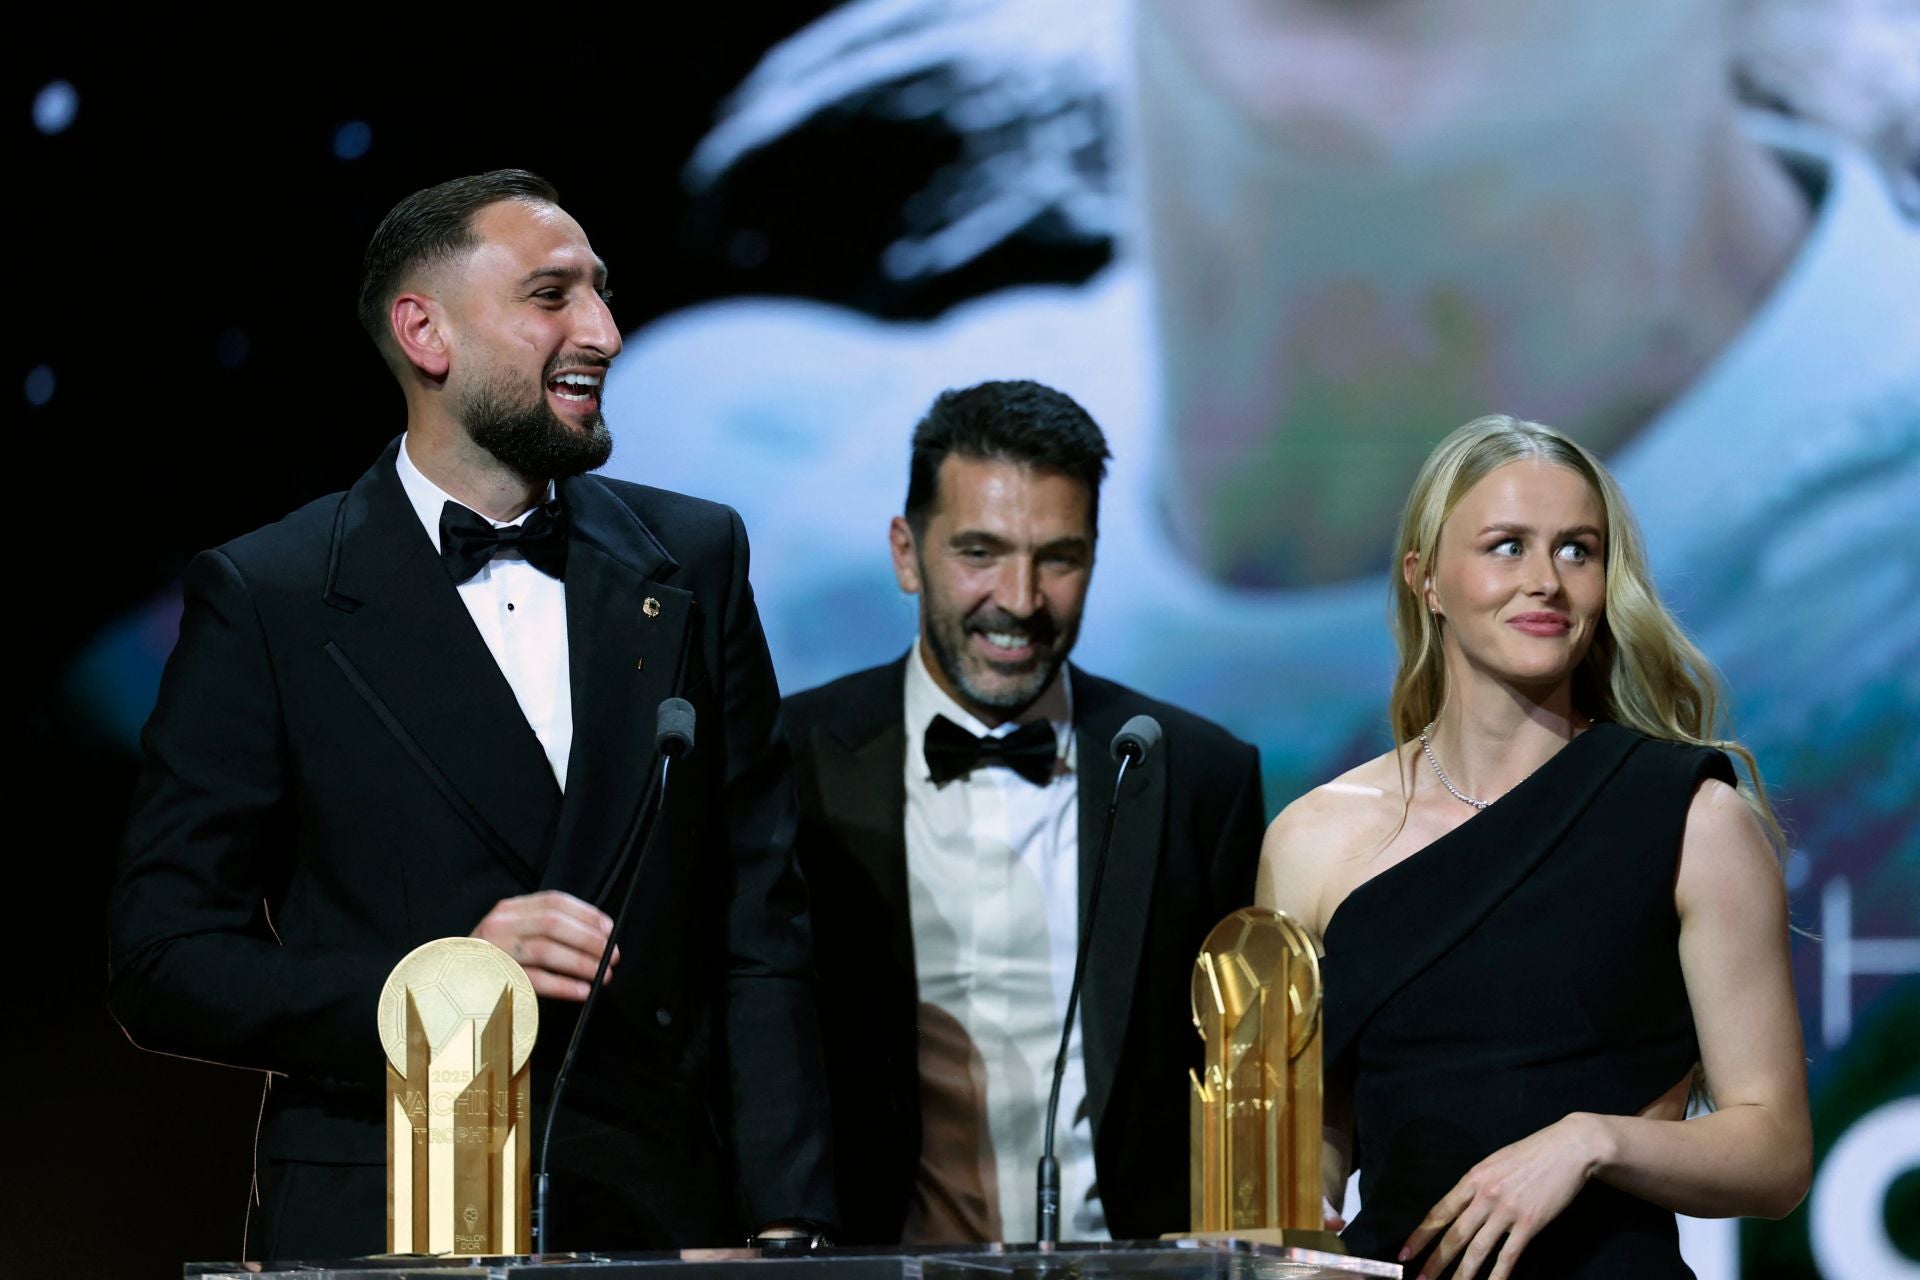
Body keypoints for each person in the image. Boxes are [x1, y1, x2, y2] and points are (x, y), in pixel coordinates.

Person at [107, 170, 834, 1259]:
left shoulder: (693, 559)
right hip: (384, 1213)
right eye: (552, 296)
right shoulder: (270, 595)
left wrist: (787, 1225)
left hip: (652, 1211)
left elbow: (759, 922)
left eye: (601, 292)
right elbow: (163, 961)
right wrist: (436, 987)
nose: (605, 333)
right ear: (425, 333)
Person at [1257, 415, 1812, 1279]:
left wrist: (1590, 1143)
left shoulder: (1691, 818)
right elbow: (1314, 1134)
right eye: (1507, 547)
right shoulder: (1313, 839)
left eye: (1577, 551)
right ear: (1426, 580)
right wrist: (1299, 1221)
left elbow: (1774, 1151)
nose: (1546, 581)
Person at [782, 380, 1265, 1244]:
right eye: (980, 552)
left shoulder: (1201, 777)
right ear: (906, 554)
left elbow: (1243, 1069)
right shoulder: (787, 762)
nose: (1020, 598)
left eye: (1058, 559)